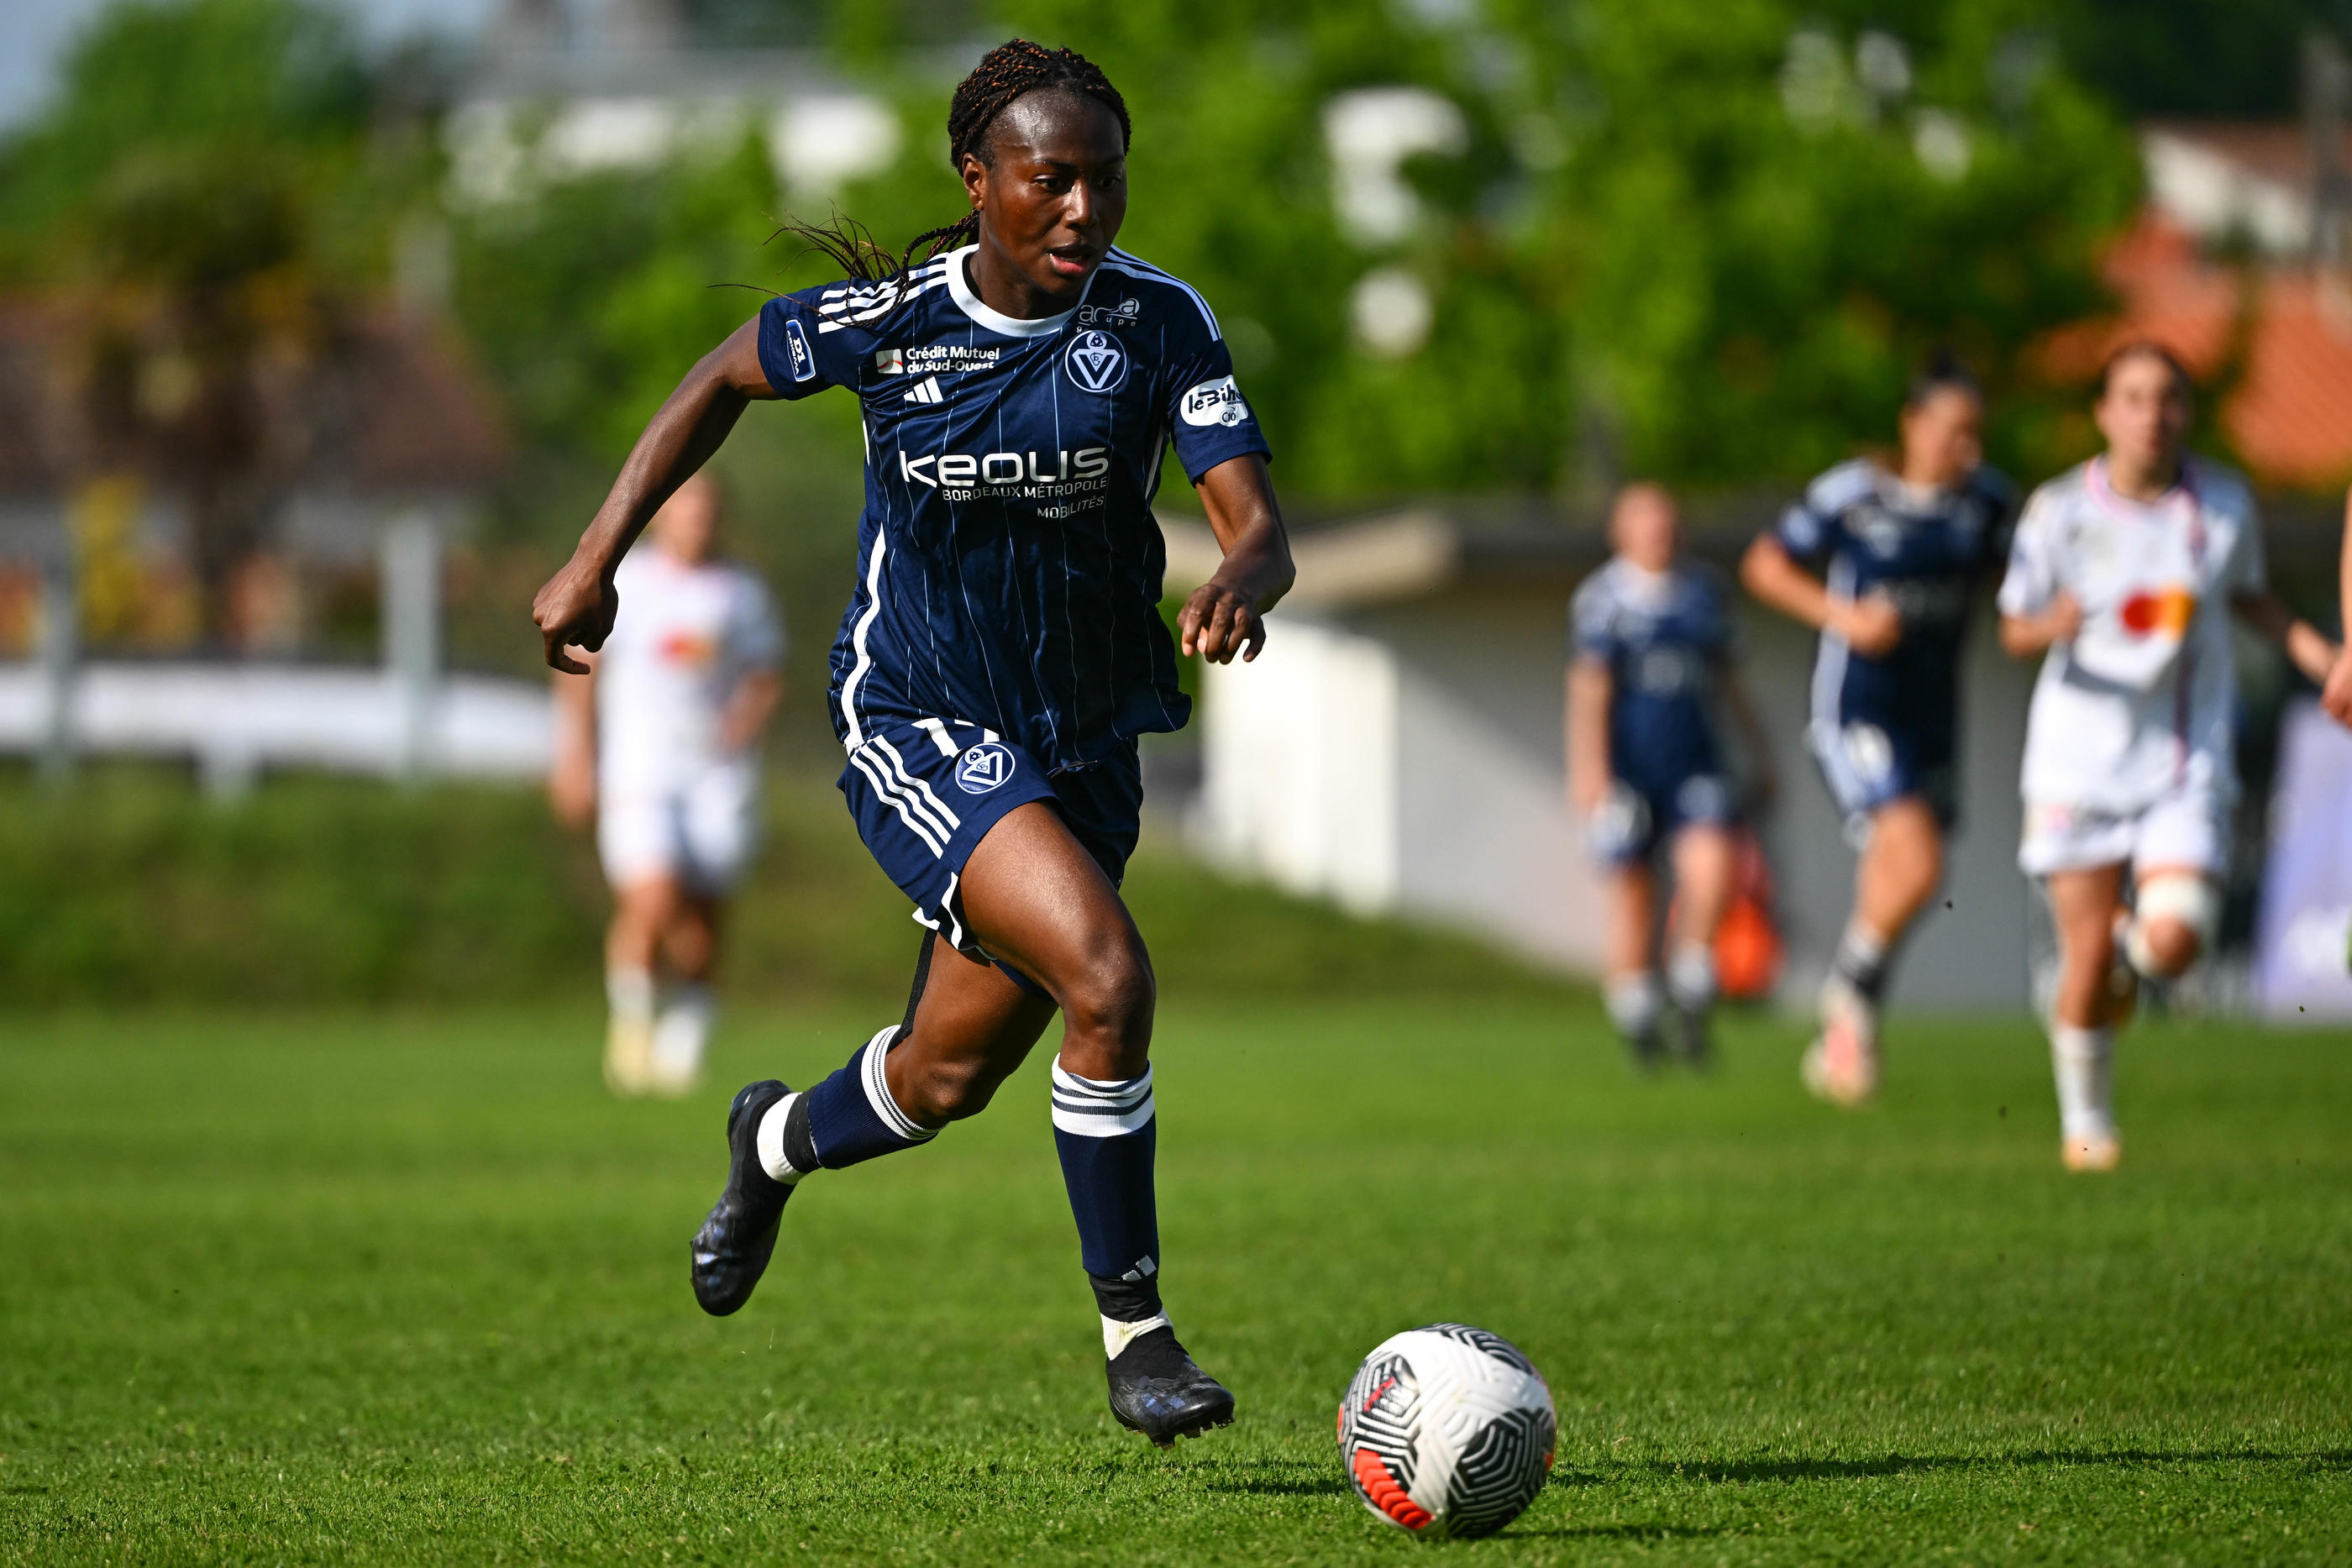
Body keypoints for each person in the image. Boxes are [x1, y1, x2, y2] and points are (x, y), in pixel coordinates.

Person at [530, 39, 1292, 1447]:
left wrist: (1244, 573)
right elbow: (718, 377)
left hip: (1088, 739)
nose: (1083, 211)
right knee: (1108, 979)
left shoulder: (1159, 320)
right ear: (980, 181)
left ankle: (768, 1141)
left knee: (942, 1076)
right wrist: (596, 558)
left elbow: (1253, 514)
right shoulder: (890, 322)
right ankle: (1141, 1338)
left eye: (1105, 182)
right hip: (921, 716)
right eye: (1051, 181)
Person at [1997, 342, 2336, 1172]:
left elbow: (2251, 599)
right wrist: (2050, 625)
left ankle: (2131, 944)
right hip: (2076, 762)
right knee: (2081, 962)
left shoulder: (2219, 505)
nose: (2152, 416)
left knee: (2178, 938)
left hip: (2183, 758)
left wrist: (2325, 659)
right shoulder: (2056, 512)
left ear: (2185, 412)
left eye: (2168, 399)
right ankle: (2086, 1125)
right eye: (2134, 398)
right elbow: (2012, 626)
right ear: (2104, 412)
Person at [1740, 357, 2013, 1104]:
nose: (1967, 450)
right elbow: (1765, 565)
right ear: (1914, 425)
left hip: (1935, 716)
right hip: (1859, 708)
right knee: (1918, 861)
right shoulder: (1854, 493)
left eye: (1976, 435)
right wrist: (1847, 618)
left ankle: (1846, 1036)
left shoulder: (1986, 506)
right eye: (1954, 432)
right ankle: (1849, 996)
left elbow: (2019, 587)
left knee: (1900, 872)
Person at [548, 474, 784, 1098]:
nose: (698, 519)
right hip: (640, 766)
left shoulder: (741, 591)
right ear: (660, 515)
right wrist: (575, 753)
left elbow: (765, 674)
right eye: (686, 507)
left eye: (709, 508)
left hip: (715, 774)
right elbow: (582, 668)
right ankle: (631, 1027)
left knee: (705, 920)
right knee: (652, 898)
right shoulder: (627, 583)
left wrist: (744, 722)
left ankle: (683, 1046)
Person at [1568, 484, 1773, 1069]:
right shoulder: (1604, 599)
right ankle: (1638, 1020)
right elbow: (1589, 690)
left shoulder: (1704, 594)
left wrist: (1760, 754)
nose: (1660, 532)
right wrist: (1592, 773)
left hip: (1695, 763)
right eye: (1646, 521)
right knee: (1635, 895)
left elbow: (1730, 682)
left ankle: (1691, 988)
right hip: (1631, 770)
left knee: (1714, 870)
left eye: (1667, 520)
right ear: (1621, 531)